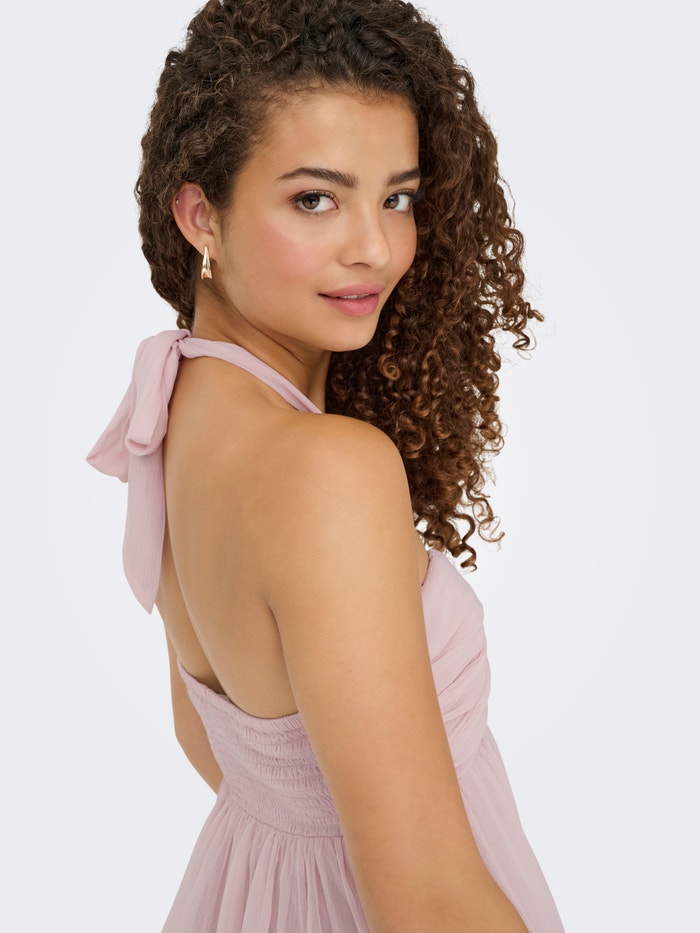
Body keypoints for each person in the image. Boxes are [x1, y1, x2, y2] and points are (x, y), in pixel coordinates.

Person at [88, 1, 565, 930]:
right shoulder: (325, 471)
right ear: (201, 215)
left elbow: (214, 737)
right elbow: (425, 906)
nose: (375, 247)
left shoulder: (180, 407)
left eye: (397, 197)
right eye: (315, 198)